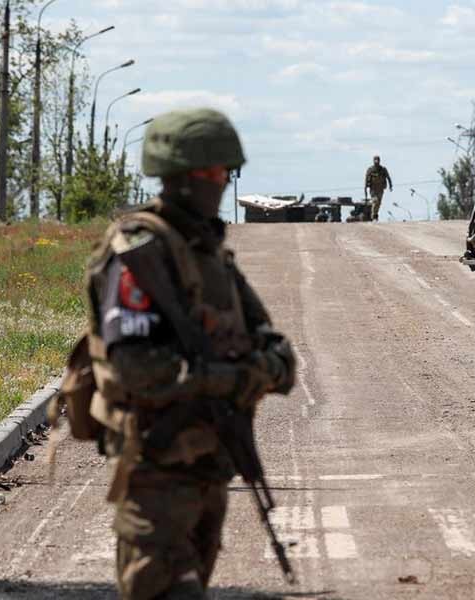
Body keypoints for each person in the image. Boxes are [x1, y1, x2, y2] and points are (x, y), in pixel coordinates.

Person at [84, 108, 296, 599]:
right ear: (179, 178)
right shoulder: (139, 252)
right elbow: (135, 367)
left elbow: (273, 345)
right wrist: (230, 378)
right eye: (211, 173)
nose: (221, 183)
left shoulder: (208, 250)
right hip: (156, 474)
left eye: (225, 172)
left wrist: (263, 368)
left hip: (210, 469)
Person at [364, 155, 393, 221]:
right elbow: (366, 180)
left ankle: (376, 215)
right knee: (375, 201)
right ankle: (373, 216)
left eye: (377, 160)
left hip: (380, 189)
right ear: (373, 161)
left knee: (379, 203)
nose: (376, 161)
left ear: (379, 161)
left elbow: (388, 177)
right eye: (375, 160)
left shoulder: (383, 169)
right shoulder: (370, 169)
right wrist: (365, 190)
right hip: (373, 189)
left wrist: (390, 186)